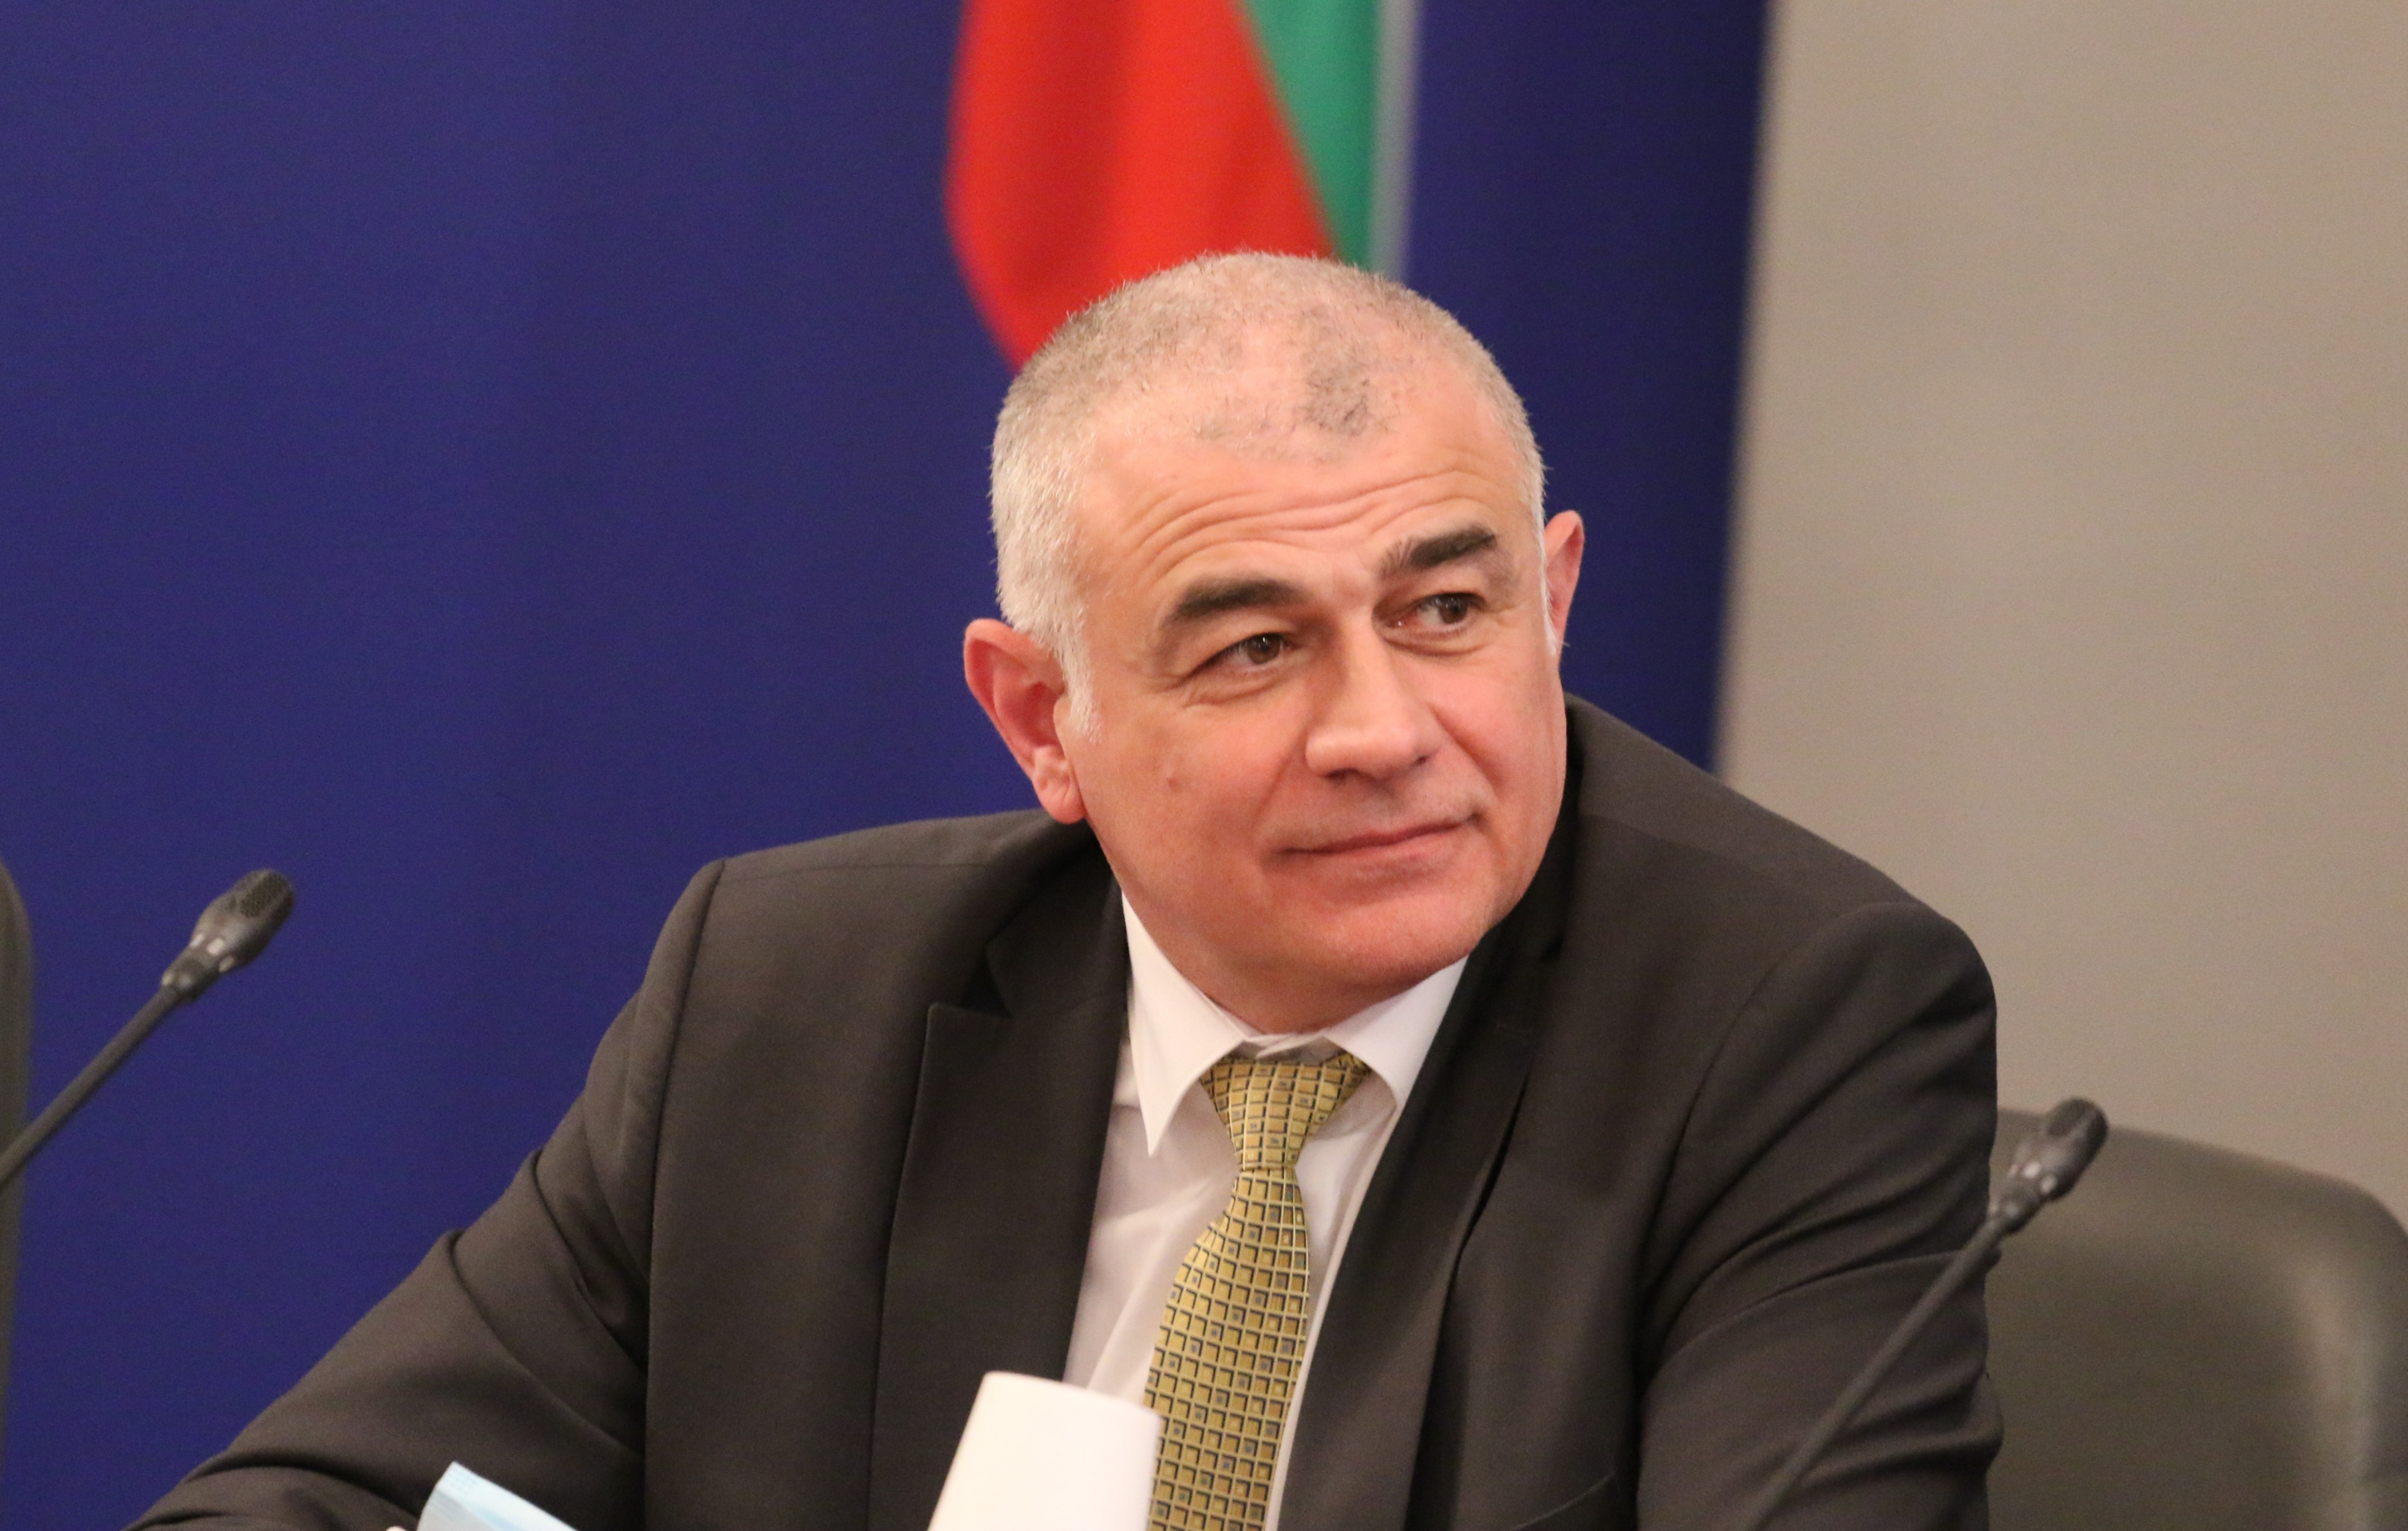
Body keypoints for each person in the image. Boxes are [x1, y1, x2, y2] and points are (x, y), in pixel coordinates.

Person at [135, 254, 1998, 1531]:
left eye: (1448, 610)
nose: (1383, 731)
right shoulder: (792, 992)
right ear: (1042, 717)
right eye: (1254, 647)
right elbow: (313, 1502)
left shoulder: (1789, 1026)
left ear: (1556, 598)